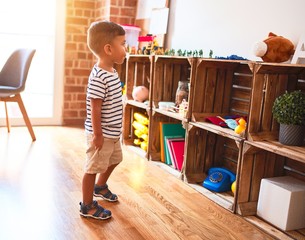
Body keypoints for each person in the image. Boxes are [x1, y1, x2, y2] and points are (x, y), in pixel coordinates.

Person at [79, 20, 126, 220]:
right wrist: (97, 135)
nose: (126, 49)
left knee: (115, 159)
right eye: (123, 44)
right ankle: (87, 205)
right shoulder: (99, 76)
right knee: (92, 168)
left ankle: (100, 186)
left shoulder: (112, 72)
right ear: (108, 49)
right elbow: (94, 108)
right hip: (102, 134)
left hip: (113, 133)